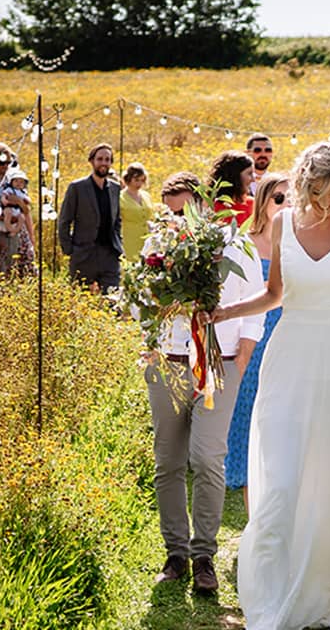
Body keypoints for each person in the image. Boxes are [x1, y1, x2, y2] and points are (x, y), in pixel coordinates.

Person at [208, 141, 330, 629]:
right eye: (321, 192)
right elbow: (274, 295)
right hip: (288, 357)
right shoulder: (284, 223)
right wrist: (226, 312)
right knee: (284, 477)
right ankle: (273, 582)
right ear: (306, 184)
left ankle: (329, 581)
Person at [142, 171, 265, 595]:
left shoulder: (233, 243)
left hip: (218, 363)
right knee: (169, 461)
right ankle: (175, 552)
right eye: (170, 209)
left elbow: (256, 304)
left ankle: (204, 555)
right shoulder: (157, 242)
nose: (176, 217)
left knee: (208, 457)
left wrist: (243, 356)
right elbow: (144, 299)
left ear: (202, 204)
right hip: (168, 363)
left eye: (184, 209)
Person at [225, 174, 290, 495]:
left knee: (280, 403)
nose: (285, 205)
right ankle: (239, 466)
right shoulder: (243, 244)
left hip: (286, 332)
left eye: (291, 199)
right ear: (263, 202)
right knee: (246, 400)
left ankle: (275, 468)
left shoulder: (295, 243)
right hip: (251, 331)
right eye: (279, 198)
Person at [56, 143, 123, 290]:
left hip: (109, 255)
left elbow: (117, 220)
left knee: (114, 302)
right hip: (83, 255)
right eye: (100, 159)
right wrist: (69, 249)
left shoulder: (115, 188)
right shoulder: (77, 188)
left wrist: (118, 245)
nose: (103, 163)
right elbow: (64, 221)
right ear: (92, 161)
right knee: (80, 302)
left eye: (107, 159)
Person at [208, 150, 257, 227]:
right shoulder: (211, 208)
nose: (253, 179)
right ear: (234, 176)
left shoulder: (253, 205)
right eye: (249, 173)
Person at [2, 168, 36, 273]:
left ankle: (14, 231)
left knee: (21, 219)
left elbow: (26, 208)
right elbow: (4, 198)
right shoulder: (8, 190)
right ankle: (11, 229)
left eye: (21, 182)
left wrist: (31, 235)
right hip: (9, 211)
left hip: (19, 216)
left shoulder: (22, 193)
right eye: (16, 181)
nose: (18, 184)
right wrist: (8, 201)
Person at [119, 163, 153, 260]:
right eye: (136, 180)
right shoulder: (120, 197)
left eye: (142, 180)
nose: (139, 184)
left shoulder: (146, 195)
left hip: (147, 240)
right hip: (129, 239)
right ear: (128, 179)